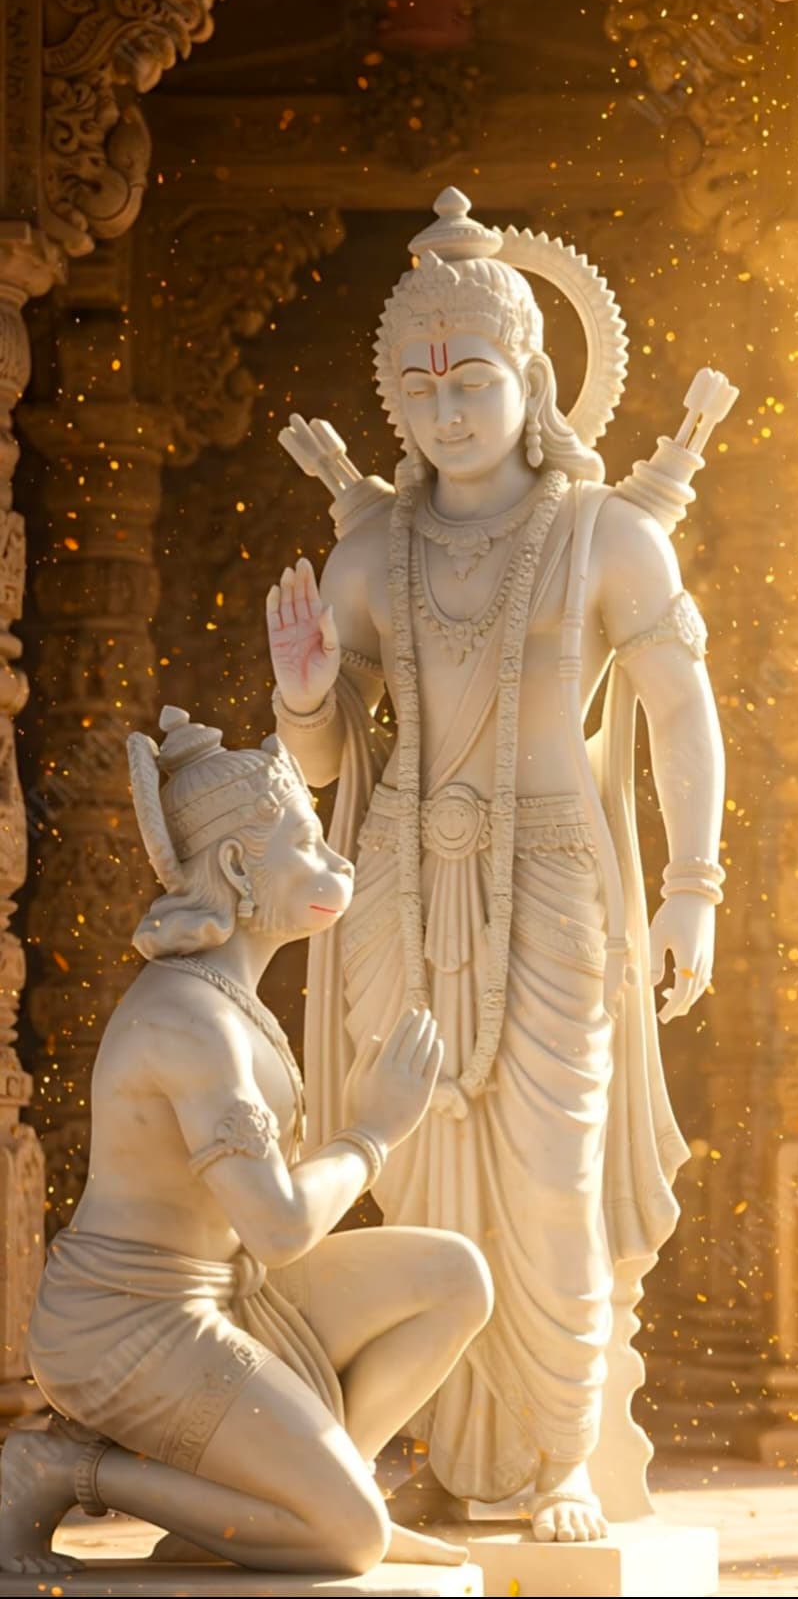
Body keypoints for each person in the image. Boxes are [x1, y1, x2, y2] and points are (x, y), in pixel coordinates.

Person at [269, 188, 727, 1542]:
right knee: (413, 1175)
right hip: (407, 881)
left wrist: (692, 888)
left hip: (549, 877)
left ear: (530, 379)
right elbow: (321, 769)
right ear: (392, 403)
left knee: (548, 1171)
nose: (446, 407)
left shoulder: (607, 536)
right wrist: (304, 695)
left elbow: (681, 719)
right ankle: (438, 1448)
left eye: (471, 375)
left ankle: (559, 1457)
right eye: (417, 384)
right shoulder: (375, 552)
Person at [0, 705, 492, 1577]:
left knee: (455, 1276)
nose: (334, 862)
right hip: (128, 1319)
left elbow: (258, 1232)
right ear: (235, 866)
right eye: (305, 842)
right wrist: (373, 1131)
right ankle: (72, 1470)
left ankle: (313, 1496)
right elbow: (278, 1227)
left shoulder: (235, 1004)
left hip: (228, 1289)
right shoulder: (193, 1022)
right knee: (348, 1545)